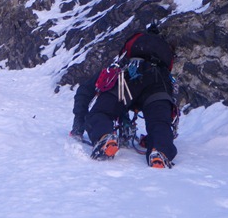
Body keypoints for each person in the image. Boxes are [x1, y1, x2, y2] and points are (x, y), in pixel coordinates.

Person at [69, 23, 178, 168]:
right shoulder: (164, 62)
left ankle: (105, 137)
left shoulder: (127, 57)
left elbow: (85, 90)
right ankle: (160, 151)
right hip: (160, 83)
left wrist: (79, 120)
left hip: (128, 77)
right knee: (159, 122)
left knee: (101, 112)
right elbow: (167, 113)